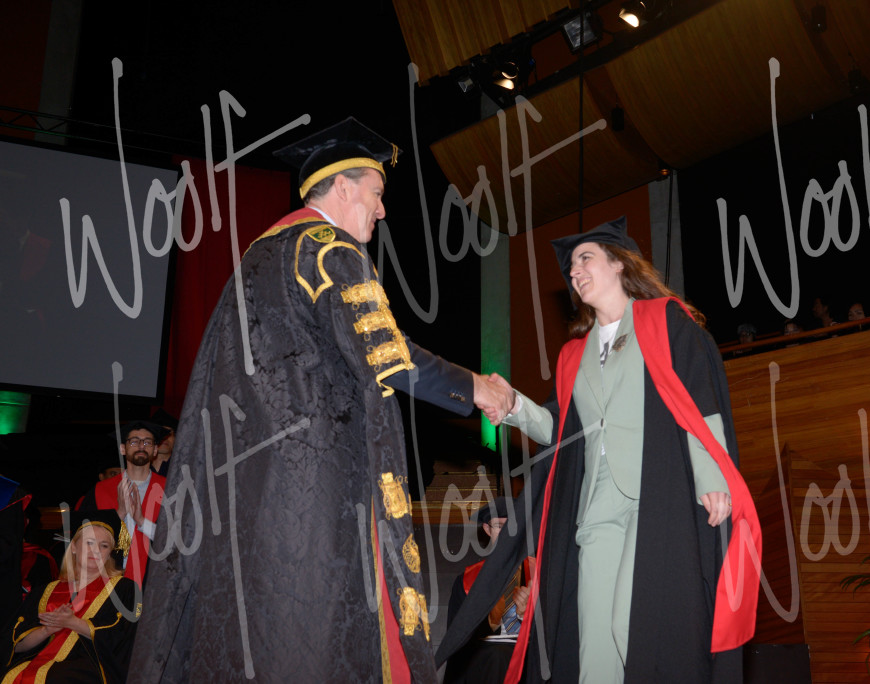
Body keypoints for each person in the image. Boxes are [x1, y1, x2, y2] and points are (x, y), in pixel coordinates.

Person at [127, 118, 512, 683]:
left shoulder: (256, 260)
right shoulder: (328, 248)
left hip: (248, 496)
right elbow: (386, 352)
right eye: (377, 193)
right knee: (320, 636)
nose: (382, 210)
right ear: (344, 188)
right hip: (318, 493)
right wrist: (478, 387)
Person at [438, 218, 761, 683]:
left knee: (634, 625)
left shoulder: (664, 321)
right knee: (593, 641)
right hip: (596, 507)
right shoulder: (575, 354)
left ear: (619, 263)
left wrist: (712, 478)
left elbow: (698, 400)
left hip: (656, 498)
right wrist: (513, 406)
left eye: (584, 258)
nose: (574, 271)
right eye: (571, 267)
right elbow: (562, 428)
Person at [3, 509, 141, 684]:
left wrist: (73, 622)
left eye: (104, 546)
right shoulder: (46, 591)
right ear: (74, 547)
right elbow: (16, 645)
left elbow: (125, 641)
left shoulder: (124, 589)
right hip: (37, 664)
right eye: (89, 543)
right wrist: (46, 630)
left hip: (90, 668)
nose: (96, 550)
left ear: (110, 553)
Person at [444, 498, 533, 684]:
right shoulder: (468, 580)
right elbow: (457, 639)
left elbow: (557, 632)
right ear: (487, 529)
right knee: (496, 655)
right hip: (484, 659)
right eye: (499, 526)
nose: (506, 533)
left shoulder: (540, 574)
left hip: (527, 653)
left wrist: (526, 616)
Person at [77, 420, 167, 586]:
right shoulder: (101, 491)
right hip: (106, 579)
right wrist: (119, 514)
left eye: (147, 442)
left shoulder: (168, 490)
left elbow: (179, 541)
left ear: (155, 450)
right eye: (134, 441)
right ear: (123, 449)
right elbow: (82, 538)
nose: (141, 446)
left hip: (154, 582)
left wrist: (142, 522)